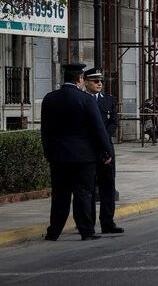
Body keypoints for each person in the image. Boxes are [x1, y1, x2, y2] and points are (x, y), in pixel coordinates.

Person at [41, 63, 113, 241]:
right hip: (84, 156)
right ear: (80, 79)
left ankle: (54, 232)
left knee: (60, 194)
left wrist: (48, 153)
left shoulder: (49, 98)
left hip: (58, 156)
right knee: (83, 192)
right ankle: (86, 231)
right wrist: (106, 151)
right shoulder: (86, 99)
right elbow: (98, 129)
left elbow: (45, 130)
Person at [84, 67, 124, 234]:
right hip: (89, 150)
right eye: (95, 81)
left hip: (107, 149)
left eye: (101, 80)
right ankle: (89, 224)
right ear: (85, 82)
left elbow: (113, 122)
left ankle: (108, 222)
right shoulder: (83, 100)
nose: (99, 83)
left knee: (108, 187)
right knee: (90, 189)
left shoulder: (108, 100)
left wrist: (104, 138)